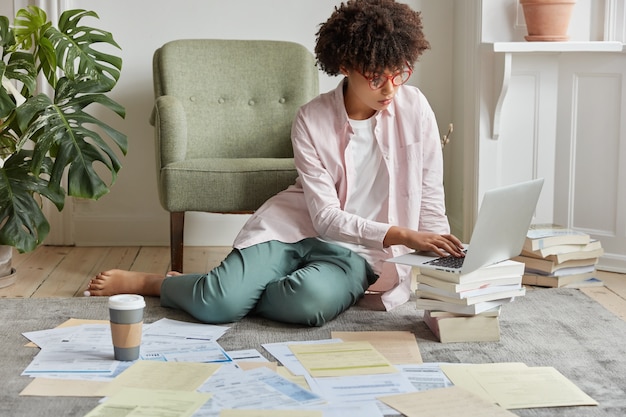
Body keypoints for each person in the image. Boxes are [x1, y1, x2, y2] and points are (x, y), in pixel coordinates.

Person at [85, 0, 464, 326]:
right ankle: (158, 284)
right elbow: (324, 218)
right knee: (217, 306)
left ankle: (224, 288)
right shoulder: (311, 119)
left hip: (359, 254)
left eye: (399, 74)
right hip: (290, 230)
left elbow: (429, 196)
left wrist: (442, 266)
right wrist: (402, 233)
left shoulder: (415, 109)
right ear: (346, 65)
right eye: (378, 77)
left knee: (306, 304)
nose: (391, 88)